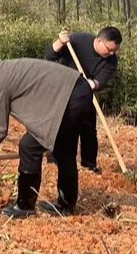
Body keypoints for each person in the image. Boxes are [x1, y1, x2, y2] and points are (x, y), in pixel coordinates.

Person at [0, 53, 95, 218]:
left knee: (29, 146)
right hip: (78, 90)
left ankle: (25, 206)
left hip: (69, 97)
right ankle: (65, 206)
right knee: (63, 149)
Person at [45, 26, 122, 173]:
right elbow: (50, 55)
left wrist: (89, 84)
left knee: (89, 128)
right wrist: (60, 42)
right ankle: (53, 157)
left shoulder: (111, 61)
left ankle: (89, 164)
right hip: (62, 87)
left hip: (85, 92)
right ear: (99, 41)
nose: (112, 53)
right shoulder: (78, 41)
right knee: (59, 124)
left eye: (115, 51)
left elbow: (100, 81)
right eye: (109, 49)